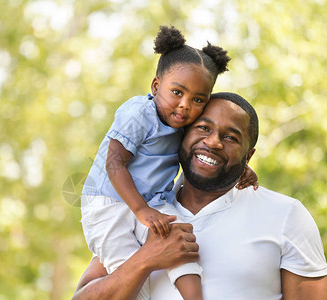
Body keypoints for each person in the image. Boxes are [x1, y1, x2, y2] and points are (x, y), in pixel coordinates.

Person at [73, 92, 327, 300]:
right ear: (182, 136)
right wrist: (145, 260)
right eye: (203, 127)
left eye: (230, 137)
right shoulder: (140, 210)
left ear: (248, 156)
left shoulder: (286, 216)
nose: (214, 142)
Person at [81, 25, 258, 300]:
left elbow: (208, 152)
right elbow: (113, 164)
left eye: (198, 99)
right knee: (128, 267)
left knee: (180, 244)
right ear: (156, 85)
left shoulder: (184, 126)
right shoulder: (138, 113)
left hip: (151, 202)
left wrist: (241, 168)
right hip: (110, 203)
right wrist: (141, 211)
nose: (185, 104)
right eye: (177, 92)